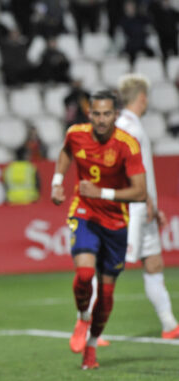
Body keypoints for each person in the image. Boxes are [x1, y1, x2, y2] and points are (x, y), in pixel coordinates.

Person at [51, 90, 147, 369]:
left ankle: (91, 348)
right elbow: (66, 152)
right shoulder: (76, 134)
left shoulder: (127, 145)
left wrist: (102, 192)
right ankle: (82, 317)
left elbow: (140, 192)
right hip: (85, 213)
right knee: (84, 273)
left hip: (116, 222)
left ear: (115, 115)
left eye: (107, 114)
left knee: (105, 295)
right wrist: (58, 181)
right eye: (96, 114)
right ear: (89, 113)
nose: (101, 119)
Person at [116, 73, 179, 339]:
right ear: (142, 98)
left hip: (141, 204)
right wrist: (146, 200)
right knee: (108, 265)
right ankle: (85, 328)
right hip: (134, 205)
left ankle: (169, 325)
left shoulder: (124, 126)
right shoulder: (130, 129)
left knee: (152, 262)